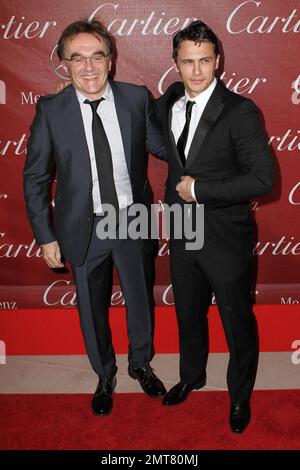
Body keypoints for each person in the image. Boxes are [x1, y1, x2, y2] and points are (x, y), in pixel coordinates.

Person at [23, 19, 166, 416]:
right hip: (83, 226)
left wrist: (209, 150)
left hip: (131, 218)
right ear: (64, 65)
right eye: (77, 58)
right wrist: (45, 235)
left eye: (97, 56)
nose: (89, 67)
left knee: (140, 300)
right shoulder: (51, 110)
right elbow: (35, 176)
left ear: (111, 59)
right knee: (91, 306)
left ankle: (140, 363)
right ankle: (104, 374)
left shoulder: (137, 98)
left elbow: (162, 145)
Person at [155, 20, 274, 433]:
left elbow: (263, 179)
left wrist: (202, 188)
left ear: (218, 60)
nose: (197, 71)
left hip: (225, 237)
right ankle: (192, 376)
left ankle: (239, 396)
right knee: (188, 314)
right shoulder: (167, 100)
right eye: (188, 62)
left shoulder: (240, 111)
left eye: (205, 60)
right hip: (183, 233)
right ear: (175, 63)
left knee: (236, 320)